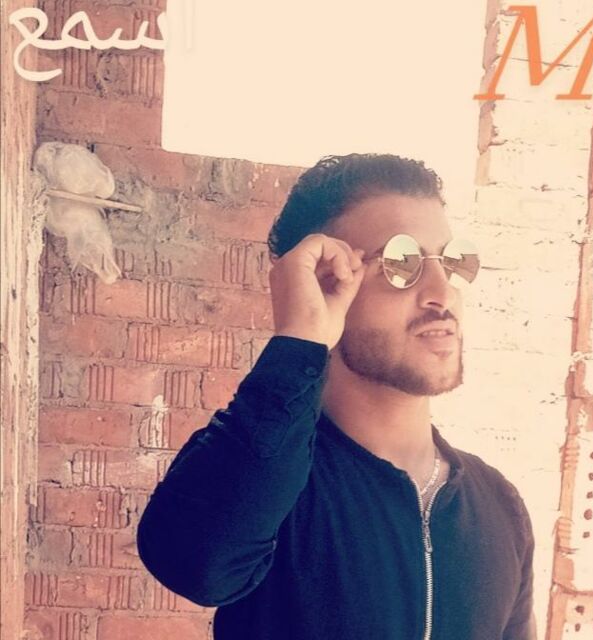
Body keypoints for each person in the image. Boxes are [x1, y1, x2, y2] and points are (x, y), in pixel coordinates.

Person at [136, 153, 536, 640]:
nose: (442, 292)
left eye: (451, 262)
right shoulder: (269, 478)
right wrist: (300, 338)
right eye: (402, 263)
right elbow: (194, 565)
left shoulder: (499, 506)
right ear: (325, 283)